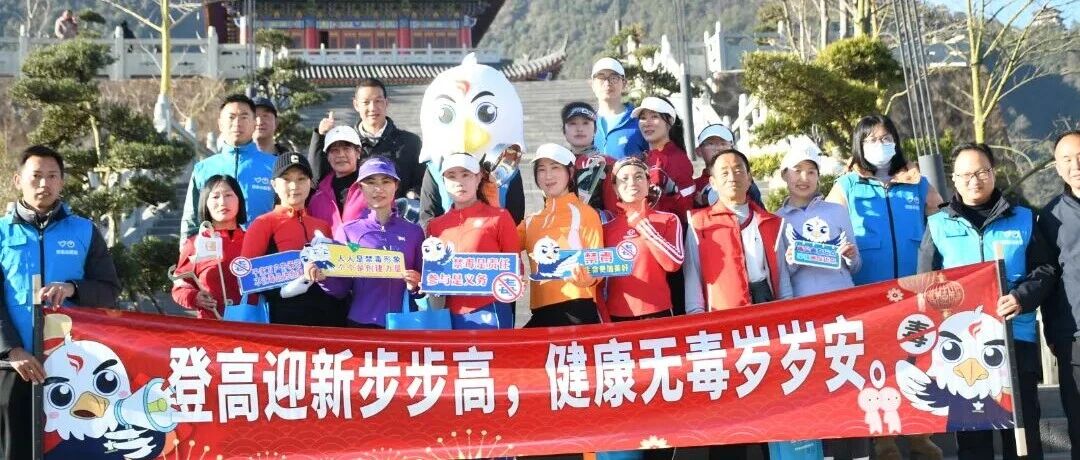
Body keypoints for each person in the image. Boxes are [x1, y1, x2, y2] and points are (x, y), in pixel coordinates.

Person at [917, 142, 1052, 460]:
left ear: (993, 172)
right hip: (962, 349)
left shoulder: (1023, 218)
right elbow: (924, 284)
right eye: (965, 174)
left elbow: (1045, 270)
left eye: (981, 172)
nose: (974, 180)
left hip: (1015, 338)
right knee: (973, 440)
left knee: (1022, 436)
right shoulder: (938, 225)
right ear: (954, 178)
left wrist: (1020, 298)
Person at [825, 115, 943, 460]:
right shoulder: (847, 184)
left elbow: (945, 218)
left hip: (915, 287)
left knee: (918, 359)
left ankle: (920, 434)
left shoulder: (917, 182)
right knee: (876, 364)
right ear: (859, 145)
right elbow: (826, 225)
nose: (880, 145)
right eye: (871, 140)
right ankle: (883, 438)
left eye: (886, 138)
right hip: (868, 291)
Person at [0, 146, 120, 460]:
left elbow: (109, 290)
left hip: (73, 369)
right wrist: (12, 350)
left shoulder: (84, 231)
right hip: (15, 367)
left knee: (71, 450)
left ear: (62, 182)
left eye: (52, 176)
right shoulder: (1, 233)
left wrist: (72, 288)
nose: (44, 184)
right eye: (36, 176)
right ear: (18, 180)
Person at [684, 147, 785, 459]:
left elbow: (782, 277)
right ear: (712, 182)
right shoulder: (698, 222)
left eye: (739, 169)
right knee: (728, 403)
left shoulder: (772, 222)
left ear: (750, 177)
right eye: (724, 172)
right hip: (722, 322)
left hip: (767, 315)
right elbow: (693, 276)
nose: (733, 176)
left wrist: (791, 319)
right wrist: (698, 322)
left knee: (772, 396)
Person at [773, 142, 865, 460]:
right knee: (818, 387)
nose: (804, 178)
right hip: (806, 318)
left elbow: (856, 266)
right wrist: (791, 261)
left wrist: (850, 256)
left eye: (811, 172)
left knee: (849, 381)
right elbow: (781, 277)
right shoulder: (776, 220)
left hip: (843, 312)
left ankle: (859, 453)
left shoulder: (836, 211)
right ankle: (824, 453)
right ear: (784, 175)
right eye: (797, 171)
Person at [308, 157, 424, 328]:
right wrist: (323, 278)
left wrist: (417, 284)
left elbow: (425, 287)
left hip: (405, 323)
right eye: (370, 182)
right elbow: (341, 289)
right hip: (361, 324)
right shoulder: (348, 231)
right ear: (360, 187)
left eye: (386, 181)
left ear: (396, 186)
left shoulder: (414, 232)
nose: (378, 189)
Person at [240, 153, 346, 327]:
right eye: (286, 179)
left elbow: (337, 275)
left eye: (301, 179)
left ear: (310, 183)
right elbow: (246, 275)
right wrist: (281, 292)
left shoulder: (322, 225)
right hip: (284, 321)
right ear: (274, 185)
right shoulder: (263, 224)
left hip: (327, 318)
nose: (294, 186)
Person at [427, 153, 521, 329]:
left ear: (478, 178)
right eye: (451, 176)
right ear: (443, 181)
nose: (459, 182)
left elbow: (516, 268)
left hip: (491, 311)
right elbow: (432, 273)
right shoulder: (435, 226)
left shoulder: (500, 217)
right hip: (449, 316)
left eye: (466, 175)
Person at [1033, 129, 1080, 458]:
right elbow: (1048, 277)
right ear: (1057, 166)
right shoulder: (1050, 217)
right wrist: (1053, 334)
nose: (1075, 165)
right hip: (1074, 335)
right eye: (1067, 159)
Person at [520, 144, 604, 328]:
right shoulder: (531, 221)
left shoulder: (585, 213)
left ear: (570, 172)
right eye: (541, 169)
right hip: (541, 311)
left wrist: (588, 279)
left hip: (577, 309)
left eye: (555, 167)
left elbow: (598, 264)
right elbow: (503, 245)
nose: (548, 176)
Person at [309, 78, 424, 198]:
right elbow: (316, 179)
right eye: (366, 102)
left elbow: (422, 183)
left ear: (386, 103)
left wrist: (411, 196)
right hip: (351, 209)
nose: (372, 108)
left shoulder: (410, 142)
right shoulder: (345, 143)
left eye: (378, 101)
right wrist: (320, 137)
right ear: (356, 105)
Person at [181, 94, 276, 238]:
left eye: (244, 117)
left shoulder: (274, 165)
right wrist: (186, 247)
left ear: (254, 123)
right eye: (231, 117)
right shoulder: (203, 169)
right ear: (220, 124)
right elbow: (191, 220)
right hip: (214, 248)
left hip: (263, 248)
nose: (237, 123)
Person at [602, 156, 683, 321]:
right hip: (617, 315)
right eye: (624, 179)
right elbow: (600, 280)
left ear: (648, 183)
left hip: (659, 312)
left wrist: (642, 224)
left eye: (639, 177)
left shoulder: (668, 219)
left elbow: (673, 263)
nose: (632, 183)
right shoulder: (605, 228)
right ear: (615, 188)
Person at [171, 175, 247, 319]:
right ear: (205, 203)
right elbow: (179, 287)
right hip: (212, 328)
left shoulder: (255, 239)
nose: (222, 202)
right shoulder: (195, 244)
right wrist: (194, 297)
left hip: (253, 326)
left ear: (239, 200)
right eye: (215, 197)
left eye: (228, 195)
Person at [307, 126, 367, 233]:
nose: (341, 155)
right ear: (327, 157)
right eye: (334, 150)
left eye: (346, 149)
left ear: (358, 153)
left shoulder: (372, 188)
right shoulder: (317, 197)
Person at [562, 101, 618, 215]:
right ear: (564, 130)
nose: (579, 129)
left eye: (586, 123)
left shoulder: (608, 164)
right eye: (573, 123)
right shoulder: (557, 164)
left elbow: (614, 211)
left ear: (595, 129)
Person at [692, 123, 763, 208]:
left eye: (723, 144)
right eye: (711, 144)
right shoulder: (693, 187)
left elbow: (756, 210)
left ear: (733, 149)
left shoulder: (743, 180)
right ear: (698, 151)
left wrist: (709, 200)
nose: (718, 148)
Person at [590, 58, 648, 160]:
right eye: (601, 77)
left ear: (624, 83)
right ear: (592, 85)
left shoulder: (639, 120)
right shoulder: (586, 122)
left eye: (614, 78)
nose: (607, 83)